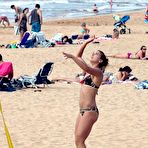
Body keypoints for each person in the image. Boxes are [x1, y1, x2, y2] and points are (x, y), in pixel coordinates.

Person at [62, 37, 108, 148]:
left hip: (90, 111)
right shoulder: (88, 72)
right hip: (83, 111)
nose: (93, 54)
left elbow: (84, 66)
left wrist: (72, 57)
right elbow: (79, 57)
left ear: (100, 61)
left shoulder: (98, 73)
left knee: (80, 141)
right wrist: (86, 43)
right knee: (77, 140)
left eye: (96, 54)